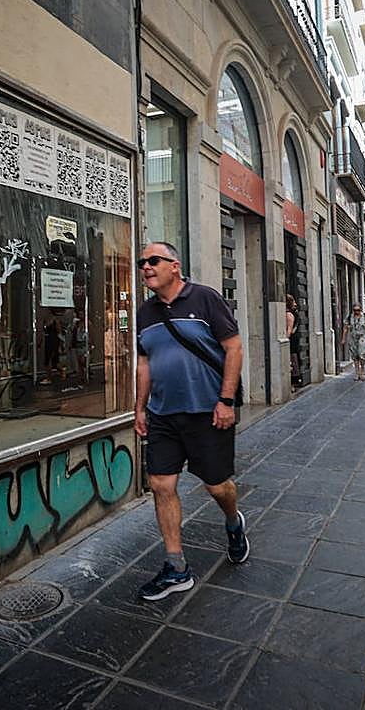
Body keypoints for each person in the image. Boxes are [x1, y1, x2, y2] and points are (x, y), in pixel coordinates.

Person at [134, 241, 248, 601]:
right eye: (142, 263)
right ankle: (176, 567)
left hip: (207, 411)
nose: (146, 267)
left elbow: (234, 348)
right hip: (163, 415)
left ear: (175, 266)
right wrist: (139, 408)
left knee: (217, 486)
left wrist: (226, 400)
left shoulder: (205, 299)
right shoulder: (145, 313)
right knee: (161, 484)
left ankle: (233, 521)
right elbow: (144, 364)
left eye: (154, 260)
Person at [342, 303, 365, 381]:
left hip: (362, 338)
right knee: (355, 356)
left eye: (358, 310)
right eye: (355, 310)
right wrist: (343, 338)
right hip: (353, 338)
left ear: (360, 310)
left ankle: (362, 369)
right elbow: (345, 328)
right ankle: (356, 372)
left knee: (362, 354)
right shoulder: (349, 317)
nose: (356, 312)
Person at [285, 294, 303, 387]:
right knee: (293, 360)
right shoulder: (293, 313)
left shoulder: (289, 314)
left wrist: (286, 339)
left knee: (292, 360)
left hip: (292, 341)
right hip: (293, 340)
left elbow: (289, 330)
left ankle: (294, 382)